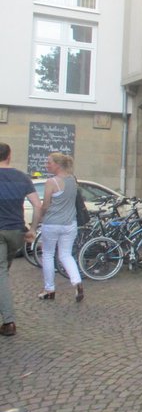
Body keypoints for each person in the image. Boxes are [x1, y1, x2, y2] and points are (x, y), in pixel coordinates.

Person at [0, 142, 41, 336]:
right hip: (16, 232)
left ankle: (9, 321)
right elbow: (38, 205)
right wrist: (32, 229)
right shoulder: (22, 177)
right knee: (3, 272)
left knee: (1, 274)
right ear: (9, 156)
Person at [37, 152, 84, 302]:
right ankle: (77, 282)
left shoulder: (52, 182)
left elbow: (45, 205)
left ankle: (49, 289)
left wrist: (40, 217)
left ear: (57, 165)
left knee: (48, 254)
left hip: (52, 223)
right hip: (70, 224)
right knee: (66, 255)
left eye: (49, 162)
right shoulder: (72, 180)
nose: (46, 165)